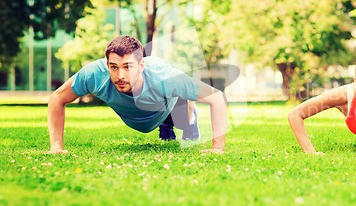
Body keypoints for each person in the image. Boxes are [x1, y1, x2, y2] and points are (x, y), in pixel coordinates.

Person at [48, 35, 228, 154]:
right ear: (107, 65)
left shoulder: (164, 76)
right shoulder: (94, 74)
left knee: (180, 107)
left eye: (128, 67)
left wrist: (218, 148)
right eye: (114, 67)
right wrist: (56, 147)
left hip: (167, 106)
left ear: (141, 66)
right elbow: (57, 98)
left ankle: (188, 119)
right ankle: (166, 126)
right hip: (138, 114)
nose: (120, 76)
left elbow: (215, 97)